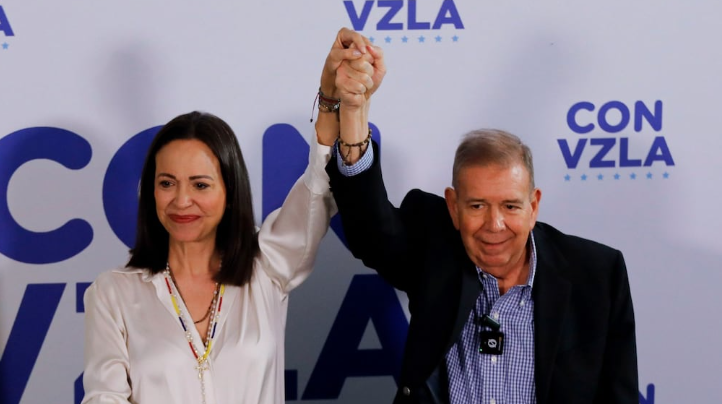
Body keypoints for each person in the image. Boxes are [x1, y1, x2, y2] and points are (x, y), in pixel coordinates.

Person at [325, 29, 638, 404]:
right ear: (453, 207)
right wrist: (354, 111)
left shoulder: (597, 275)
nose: (494, 225)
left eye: (510, 206)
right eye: (477, 206)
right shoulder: (435, 248)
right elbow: (371, 231)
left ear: (534, 205)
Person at [81, 30, 376, 404]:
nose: (182, 201)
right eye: (167, 183)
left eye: (200, 185)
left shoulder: (267, 267)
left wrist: (332, 101)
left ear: (230, 192)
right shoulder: (113, 293)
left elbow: (318, 186)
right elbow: (104, 397)